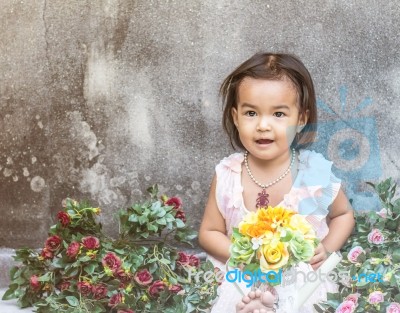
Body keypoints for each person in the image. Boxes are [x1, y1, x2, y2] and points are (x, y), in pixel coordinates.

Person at [198, 52, 355, 313]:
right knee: (235, 299)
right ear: (236, 117)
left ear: (301, 118)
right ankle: (256, 304)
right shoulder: (228, 174)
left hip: (301, 278)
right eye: (251, 113)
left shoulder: (313, 173)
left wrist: (325, 249)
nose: (263, 125)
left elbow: (343, 214)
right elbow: (209, 231)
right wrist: (241, 255)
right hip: (241, 277)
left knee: (302, 300)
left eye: (279, 114)